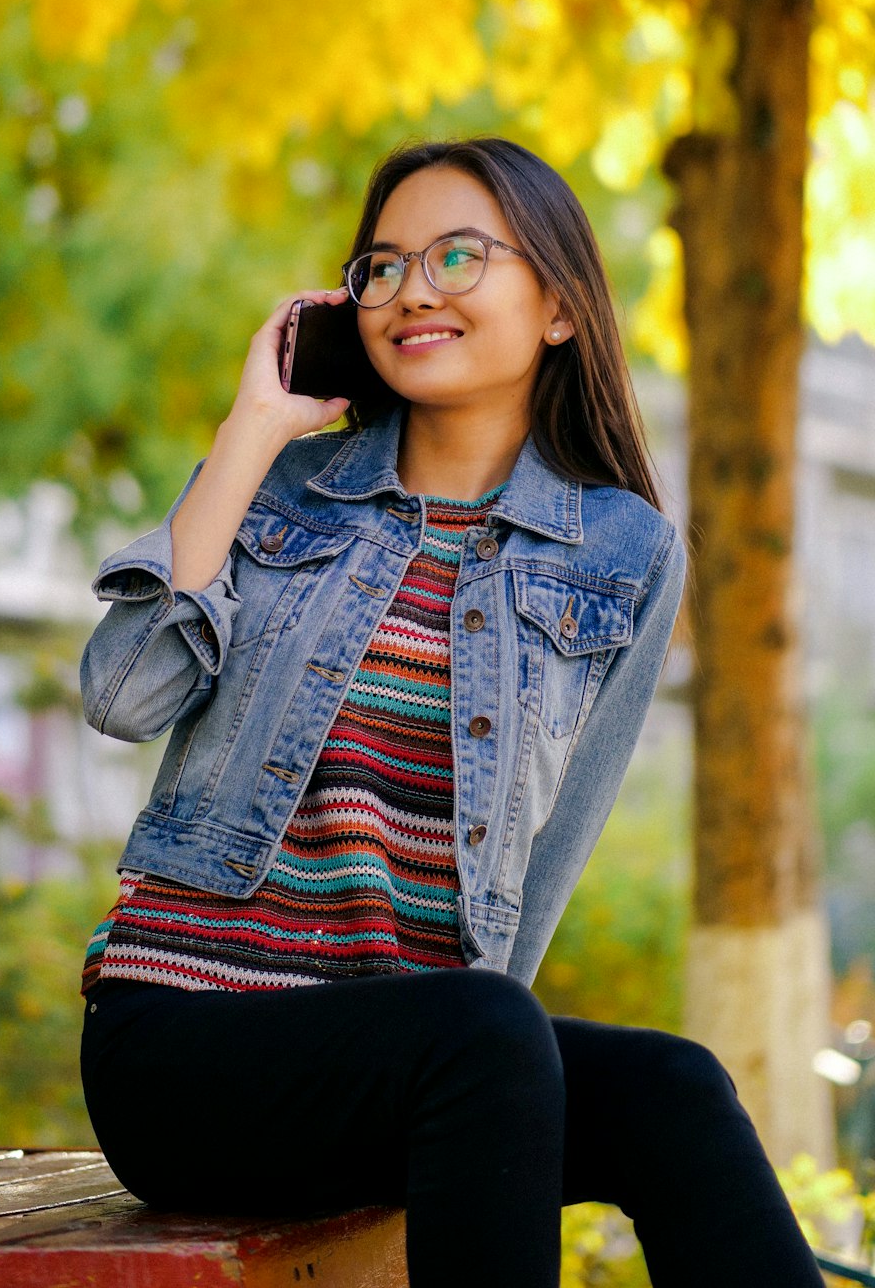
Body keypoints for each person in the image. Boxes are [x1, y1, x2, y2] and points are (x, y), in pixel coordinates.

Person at [78, 137, 823, 1287]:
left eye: (457, 256)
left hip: (430, 1058)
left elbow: (552, 846)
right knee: (482, 1032)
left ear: (562, 306)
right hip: (186, 1042)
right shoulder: (278, 492)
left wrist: (498, 1072)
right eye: (381, 266)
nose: (412, 289)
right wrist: (250, 430)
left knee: (672, 1088)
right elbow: (123, 695)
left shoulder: (623, 548)